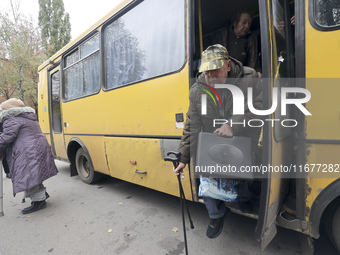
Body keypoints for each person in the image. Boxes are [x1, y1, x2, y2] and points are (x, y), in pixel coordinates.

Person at [173, 44, 262, 239]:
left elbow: (259, 110)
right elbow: (192, 125)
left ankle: (244, 199)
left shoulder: (250, 79)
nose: (210, 77)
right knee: (205, 175)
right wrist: (183, 157)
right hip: (213, 140)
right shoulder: (197, 90)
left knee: (246, 181)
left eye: (215, 70)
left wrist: (233, 125)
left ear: (228, 65)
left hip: (242, 139)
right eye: (207, 72)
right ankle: (216, 216)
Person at [0, 98, 58, 214]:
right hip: (36, 148)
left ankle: (39, 202)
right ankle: (42, 194)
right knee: (34, 173)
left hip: (27, 151)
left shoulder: (12, 119)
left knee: (28, 175)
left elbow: (5, 139)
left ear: (8, 110)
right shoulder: (27, 116)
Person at [210, 10, 261, 77]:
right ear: (235, 23)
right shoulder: (222, 35)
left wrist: (258, 72)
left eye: (249, 23)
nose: (246, 26)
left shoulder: (250, 39)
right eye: (244, 22)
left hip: (241, 77)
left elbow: (253, 60)